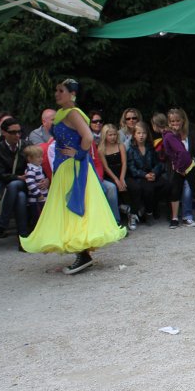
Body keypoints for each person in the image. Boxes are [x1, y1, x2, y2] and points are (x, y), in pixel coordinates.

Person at [20, 79, 126, 274]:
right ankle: (81, 252)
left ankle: (83, 254)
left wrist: (77, 154)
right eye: (57, 90)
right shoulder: (62, 114)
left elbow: (87, 137)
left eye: (61, 91)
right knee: (69, 208)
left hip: (73, 168)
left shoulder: (73, 113)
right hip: (65, 167)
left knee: (75, 207)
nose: (57, 94)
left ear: (72, 94)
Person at [0, 118, 30, 242]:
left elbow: (36, 163)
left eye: (19, 132)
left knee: (15, 185)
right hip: (9, 186)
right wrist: (17, 177)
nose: (17, 135)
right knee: (19, 196)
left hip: (29, 183)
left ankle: (1, 226)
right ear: (4, 133)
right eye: (13, 132)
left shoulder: (26, 145)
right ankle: (23, 237)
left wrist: (26, 176)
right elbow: (0, 174)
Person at [125, 122, 165, 228]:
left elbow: (158, 164)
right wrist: (145, 175)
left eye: (144, 133)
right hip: (139, 177)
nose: (141, 135)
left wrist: (154, 173)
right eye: (138, 133)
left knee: (167, 185)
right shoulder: (131, 150)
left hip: (152, 175)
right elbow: (132, 169)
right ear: (134, 135)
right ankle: (148, 213)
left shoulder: (150, 148)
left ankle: (153, 207)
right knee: (148, 189)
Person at [96, 124, 129, 227]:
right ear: (105, 136)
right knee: (113, 187)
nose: (113, 137)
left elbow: (124, 163)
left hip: (122, 172)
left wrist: (122, 178)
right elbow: (106, 167)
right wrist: (116, 180)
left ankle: (133, 212)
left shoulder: (121, 146)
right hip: (110, 175)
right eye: (110, 135)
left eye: (114, 134)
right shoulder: (101, 149)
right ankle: (117, 218)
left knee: (130, 186)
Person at [22, 145, 48, 232]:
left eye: (41, 156)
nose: (41, 159)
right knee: (37, 217)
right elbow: (30, 183)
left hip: (43, 198)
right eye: (38, 157)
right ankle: (37, 231)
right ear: (30, 159)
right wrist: (38, 194)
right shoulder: (31, 170)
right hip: (37, 200)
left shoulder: (38, 168)